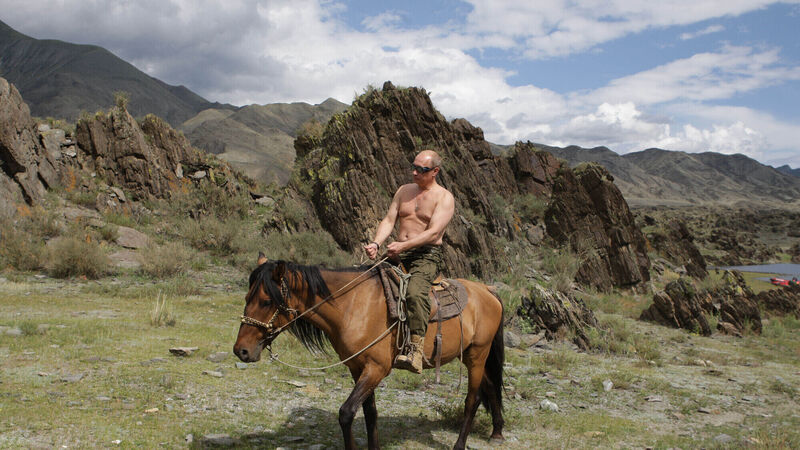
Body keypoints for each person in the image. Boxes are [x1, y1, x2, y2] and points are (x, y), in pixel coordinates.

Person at [364, 149, 455, 373]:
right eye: (413, 167)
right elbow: (389, 220)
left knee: (415, 293)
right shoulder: (404, 190)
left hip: (426, 255)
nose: (414, 173)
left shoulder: (444, 198)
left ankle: (416, 351)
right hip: (399, 252)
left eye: (421, 170)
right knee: (365, 280)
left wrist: (404, 246)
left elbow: (433, 233)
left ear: (435, 171)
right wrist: (376, 243)